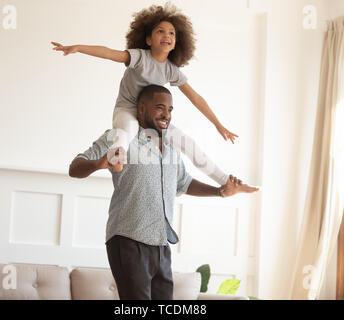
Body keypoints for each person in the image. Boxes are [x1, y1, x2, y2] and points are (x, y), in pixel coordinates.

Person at [69, 85, 259, 300]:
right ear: (141, 109)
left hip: (161, 243)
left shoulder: (171, 146)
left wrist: (220, 192)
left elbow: (183, 183)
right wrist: (100, 163)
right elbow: (75, 167)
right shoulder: (120, 137)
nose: (166, 115)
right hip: (128, 239)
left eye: (170, 110)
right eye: (160, 108)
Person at [53, 2, 239, 186]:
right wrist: (78, 48)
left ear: (176, 43)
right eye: (160, 31)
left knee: (187, 143)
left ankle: (226, 181)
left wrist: (218, 125)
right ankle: (117, 158)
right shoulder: (140, 57)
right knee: (127, 131)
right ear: (148, 39)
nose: (167, 35)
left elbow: (195, 98)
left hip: (152, 118)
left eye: (171, 33)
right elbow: (109, 53)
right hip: (127, 110)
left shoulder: (171, 70)